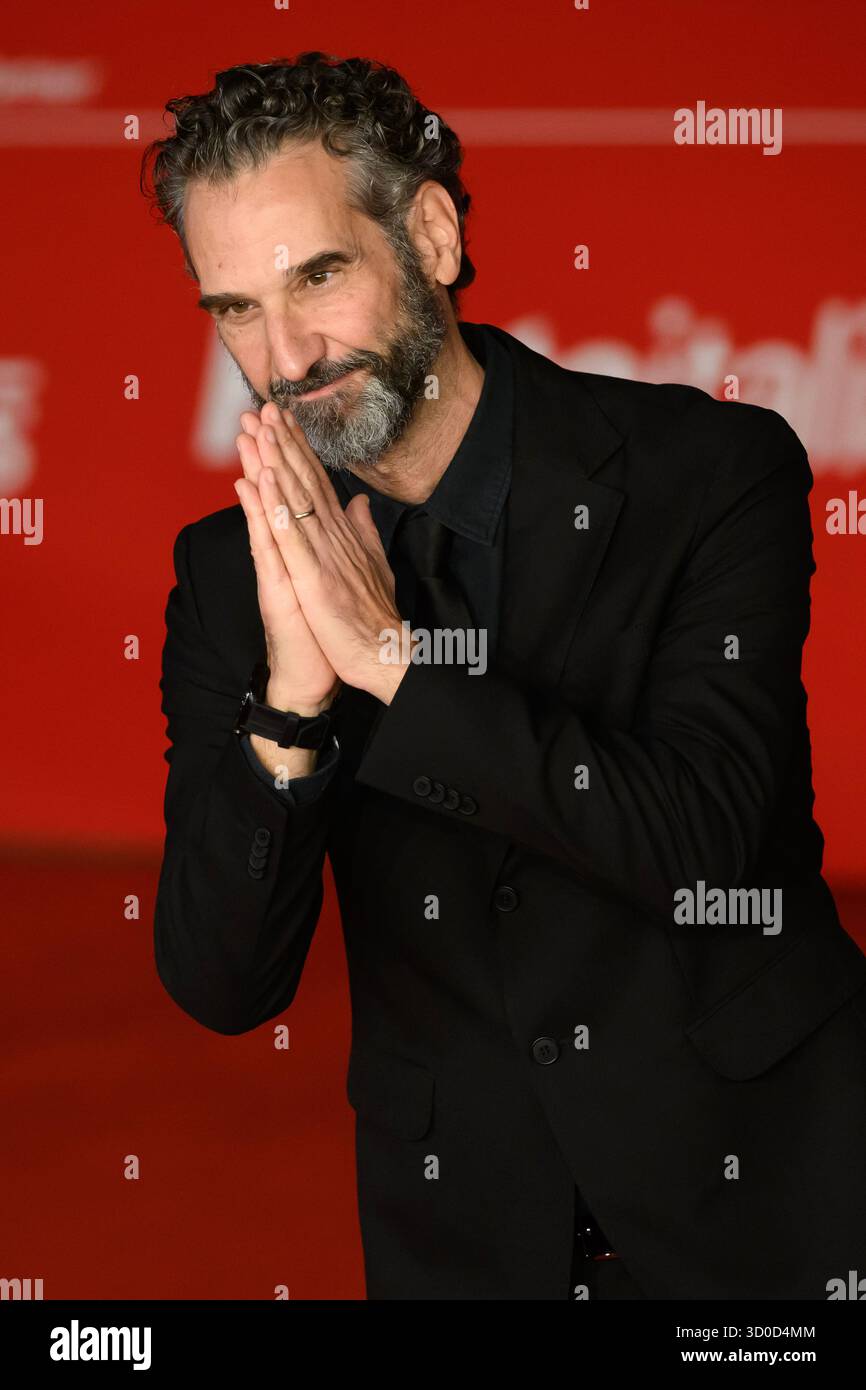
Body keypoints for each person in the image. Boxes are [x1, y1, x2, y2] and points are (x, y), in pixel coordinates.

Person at [142, 52, 866, 1300]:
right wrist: (295, 705)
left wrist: (389, 662)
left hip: (762, 1204)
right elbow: (218, 981)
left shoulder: (706, 470)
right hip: (466, 1236)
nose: (287, 352)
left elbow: (704, 848)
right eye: (234, 308)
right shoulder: (230, 572)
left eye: (318, 276)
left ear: (427, 232)